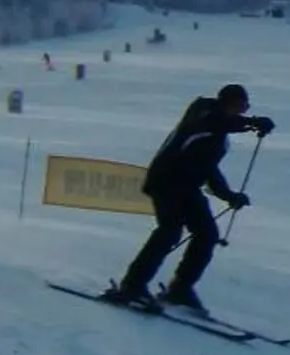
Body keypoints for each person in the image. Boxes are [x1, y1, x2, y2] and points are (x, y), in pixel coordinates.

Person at [108, 83, 275, 315]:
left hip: (187, 188)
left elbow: (209, 170)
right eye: (243, 105)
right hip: (165, 181)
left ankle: (180, 288)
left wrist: (229, 196)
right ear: (231, 102)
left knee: (207, 235)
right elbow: (215, 122)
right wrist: (251, 123)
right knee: (169, 231)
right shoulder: (203, 112)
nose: (245, 109)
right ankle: (132, 286)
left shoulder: (218, 136)